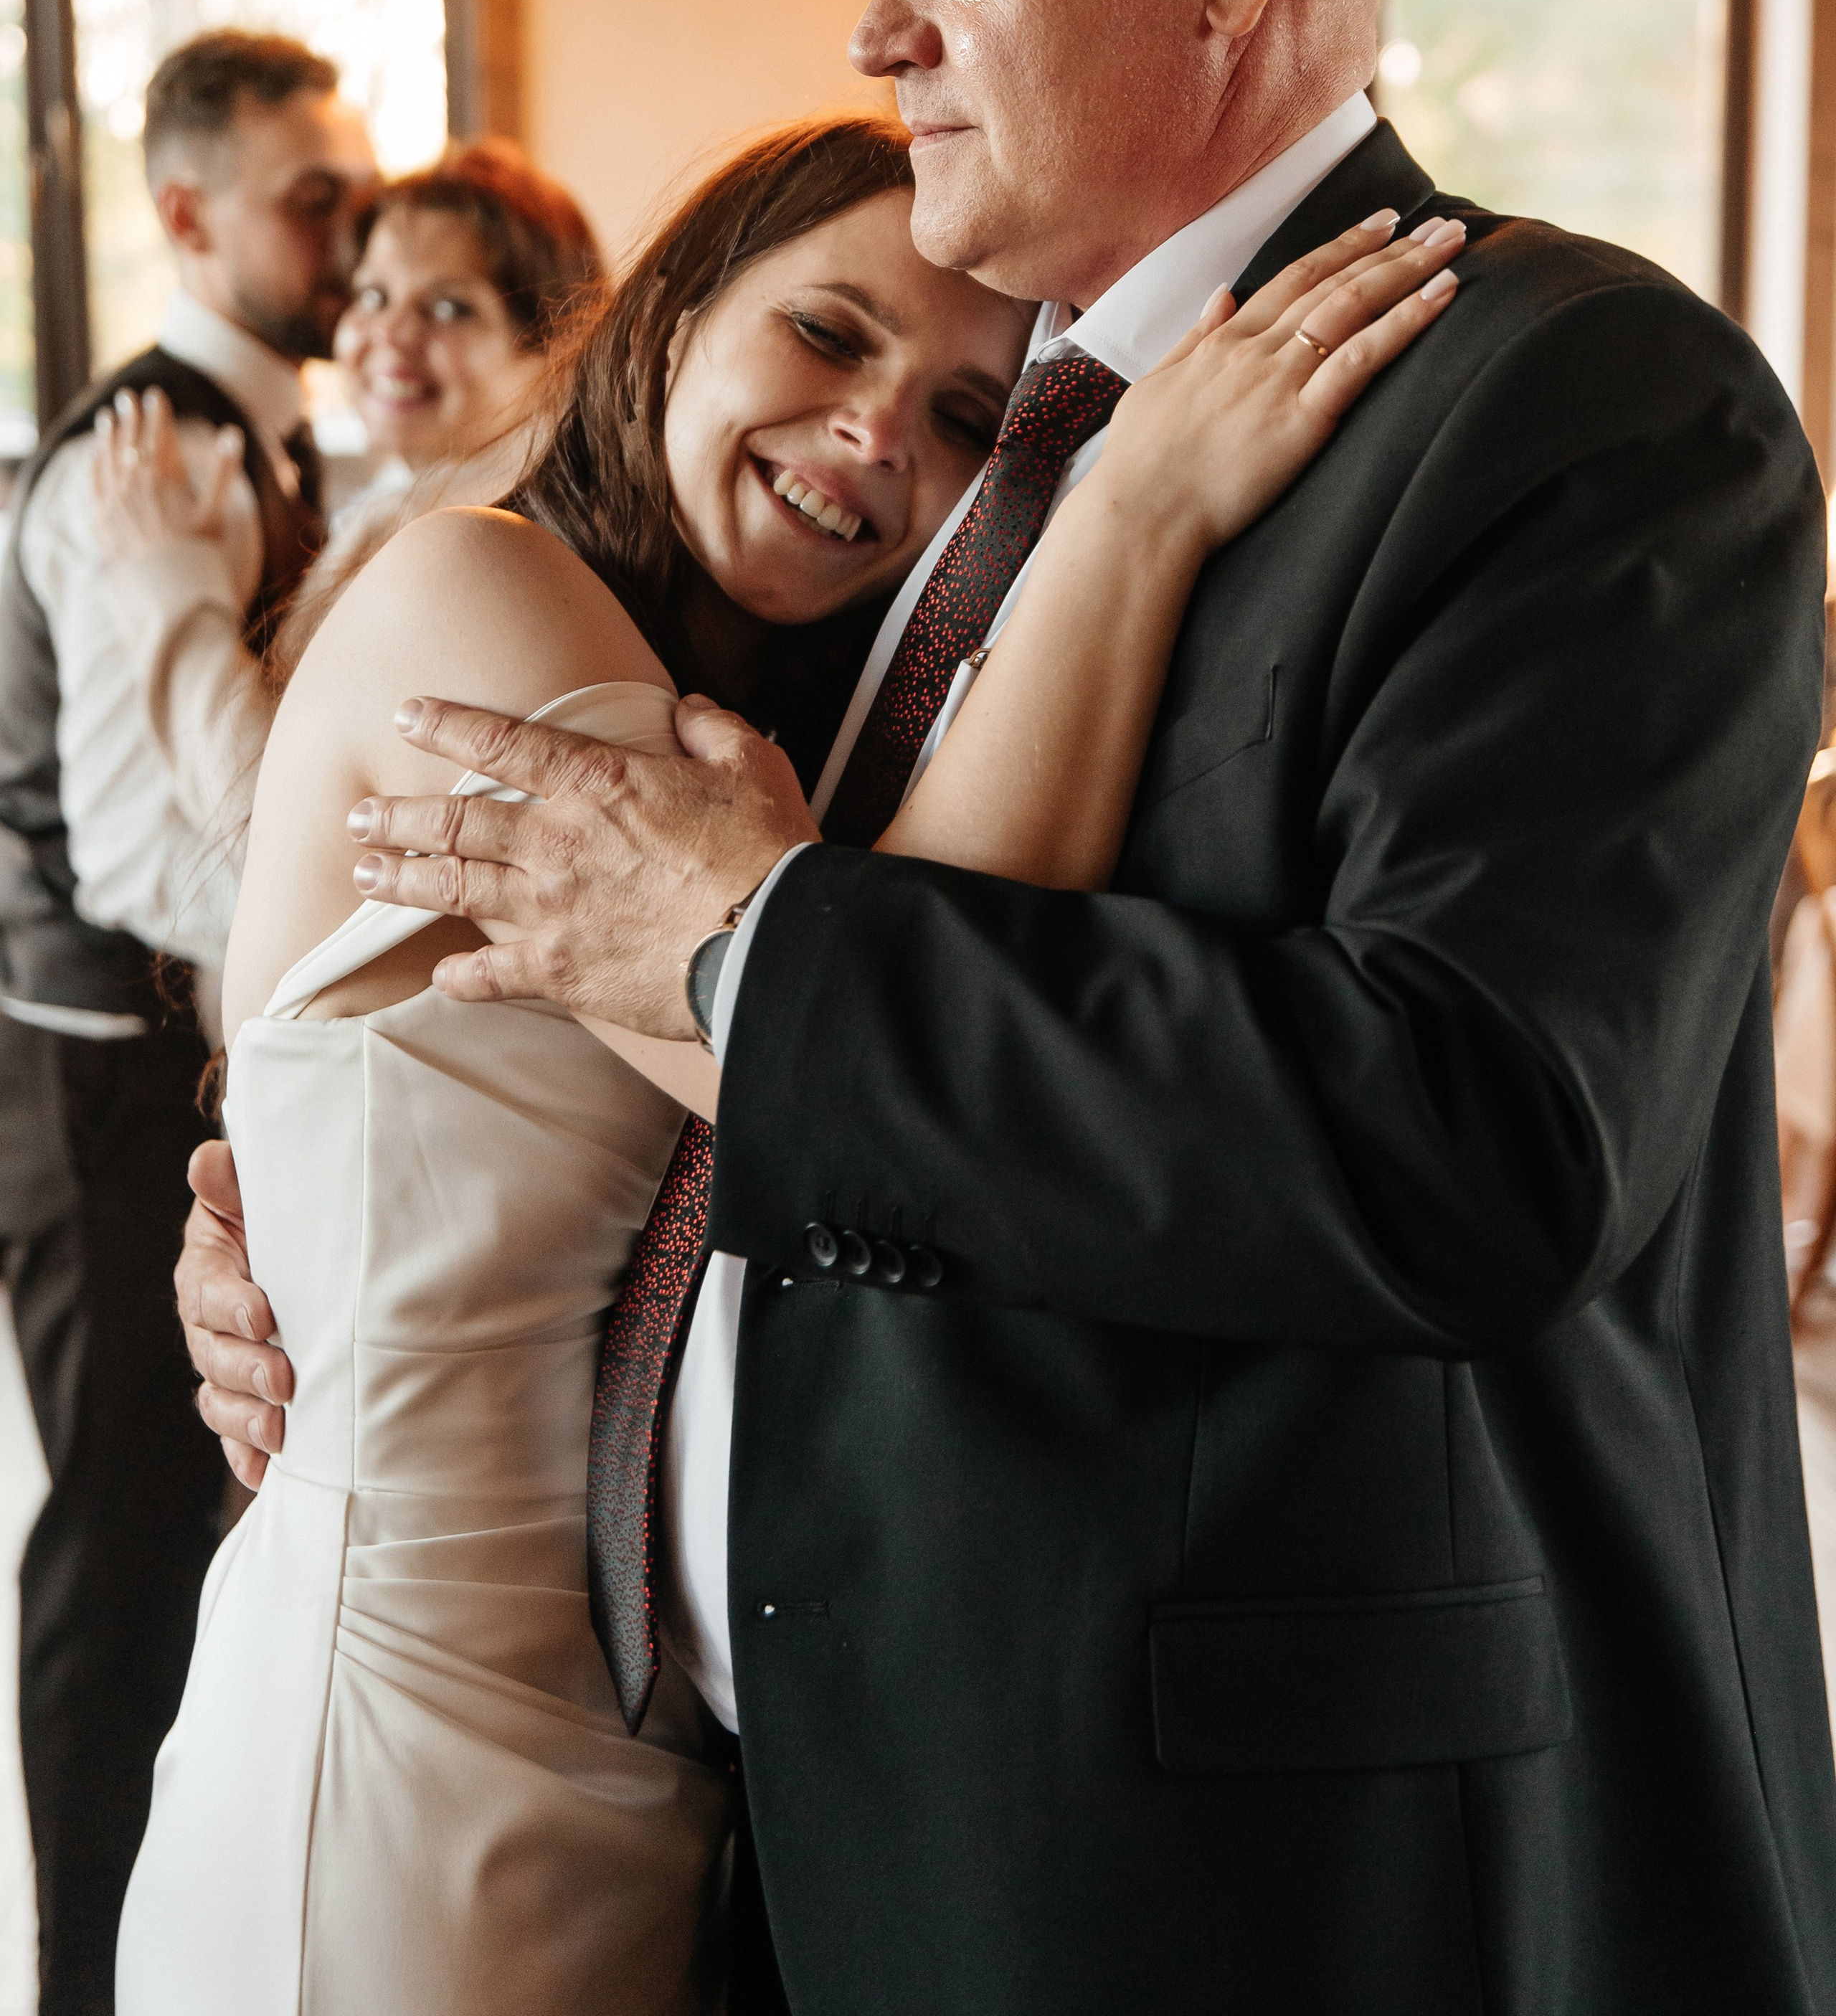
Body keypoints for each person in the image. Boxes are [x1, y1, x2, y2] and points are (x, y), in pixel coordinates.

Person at [184, 0, 1836, 2014]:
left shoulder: (1577, 400)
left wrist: (746, 952)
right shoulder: (963, 480)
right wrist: (282, 1227)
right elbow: (748, 1024)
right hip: (783, 1833)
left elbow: (1476, 1130)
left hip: (1264, 1875)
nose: (873, 26)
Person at [115, 113, 1455, 2015]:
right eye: (827, 336)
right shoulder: (474, 600)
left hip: (648, 1767)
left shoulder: (759, 737)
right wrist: (1134, 514)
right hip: (397, 1742)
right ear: (668, 313)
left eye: (967, 418)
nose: (871, 434)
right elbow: (877, 1062)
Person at [0, 27, 377, 2015]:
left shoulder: (268, 445)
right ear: (182, 213)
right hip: (107, 1077)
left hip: (187, 1067)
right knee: (122, 1545)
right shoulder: (145, 462)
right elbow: (170, 864)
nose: (350, 231)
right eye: (311, 201)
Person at [90, 138, 604, 858]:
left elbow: (270, 836)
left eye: (451, 307)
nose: (390, 335)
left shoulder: (487, 546)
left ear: (556, 345)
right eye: (372, 295)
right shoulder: (408, 500)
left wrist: (174, 585)